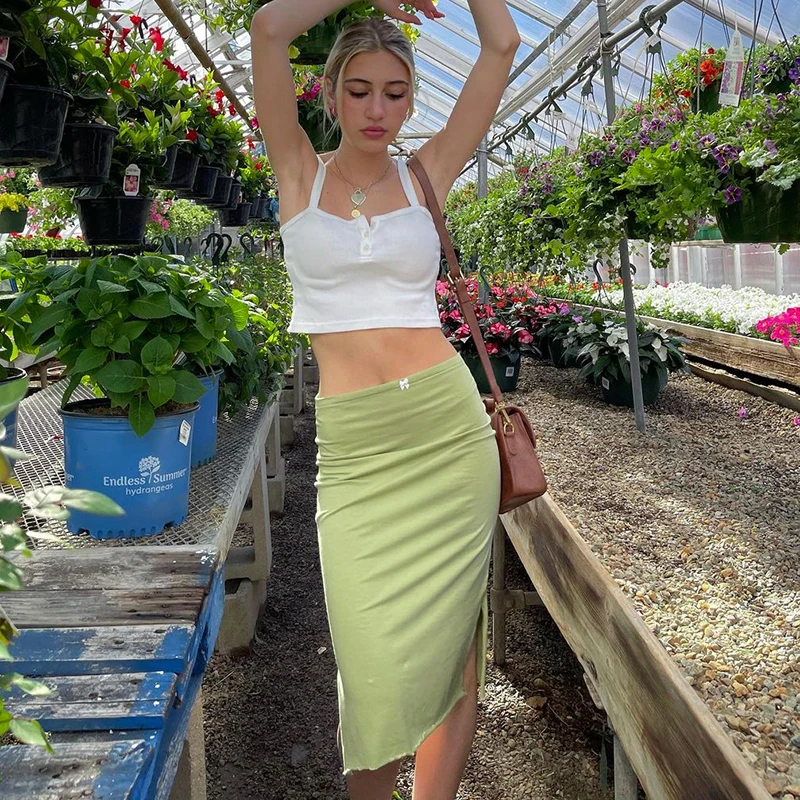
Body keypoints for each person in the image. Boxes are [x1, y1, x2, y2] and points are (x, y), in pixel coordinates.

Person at [250, 3, 520, 798]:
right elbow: (268, 27)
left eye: (396, 94)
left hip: (448, 436)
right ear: (329, 92)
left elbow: (501, 42)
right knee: (371, 674)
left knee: (452, 655)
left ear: (410, 101)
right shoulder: (297, 172)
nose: (378, 110)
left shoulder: (425, 172)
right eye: (360, 90)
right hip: (359, 454)